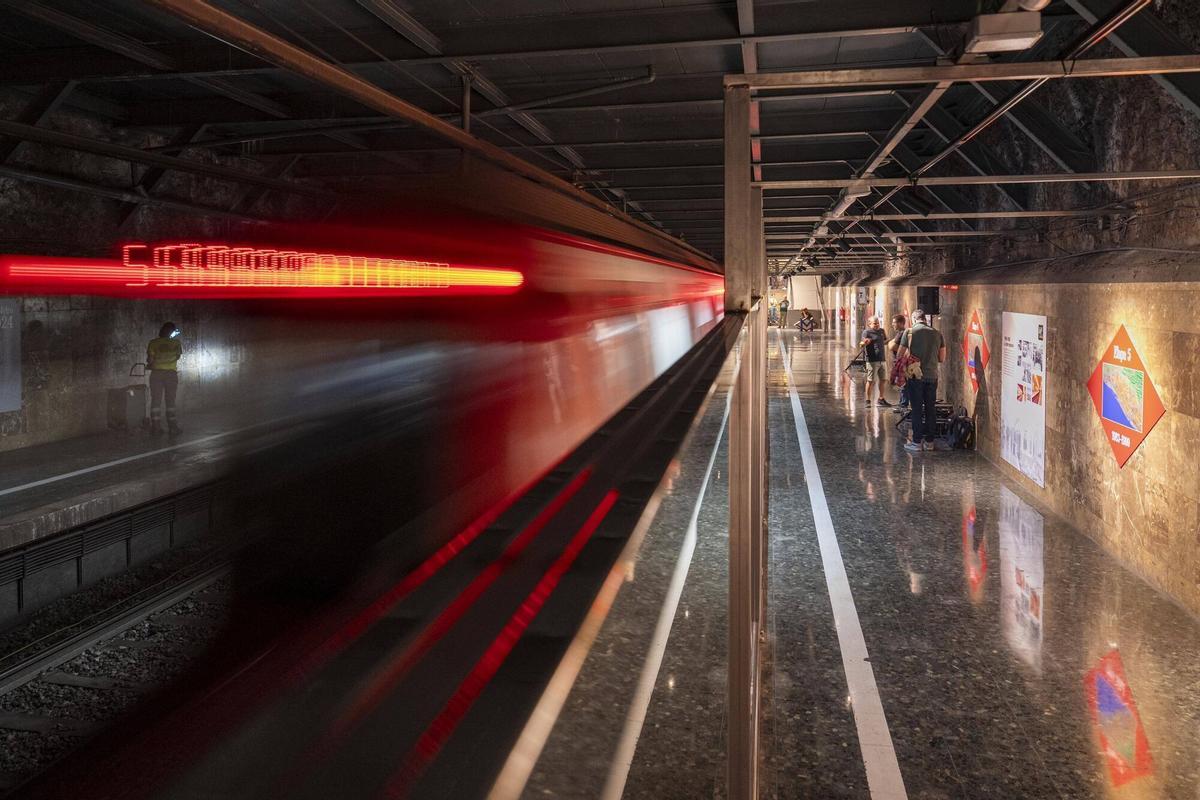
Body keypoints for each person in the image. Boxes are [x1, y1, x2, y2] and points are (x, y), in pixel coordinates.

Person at [897, 309, 945, 452]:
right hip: (932, 376)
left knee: (917, 409)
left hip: (915, 376)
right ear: (925, 319)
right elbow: (942, 358)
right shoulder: (937, 333)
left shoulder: (909, 332)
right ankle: (929, 442)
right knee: (931, 409)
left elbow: (899, 354)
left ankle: (917, 442)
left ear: (913, 319)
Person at [147, 321, 183, 436]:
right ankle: (172, 428)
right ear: (172, 333)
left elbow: (150, 360)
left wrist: (151, 364)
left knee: (156, 401)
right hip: (171, 375)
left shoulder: (153, 343)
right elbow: (177, 357)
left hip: (156, 374)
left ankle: (156, 428)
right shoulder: (176, 343)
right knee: (170, 401)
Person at [858, 316, 890, 406]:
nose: (877, 325)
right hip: (872, 360)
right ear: (869, 324)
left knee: (883, 380)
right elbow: (862, 343)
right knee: (871, 380)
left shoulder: (882, 331)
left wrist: (889, 341)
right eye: (875, 323)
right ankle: (868, 400)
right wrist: (865, 343)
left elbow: (886, 340)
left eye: (878, 323)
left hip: (882, 359)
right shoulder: (866, 332)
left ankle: (881, 399)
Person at [888, 313, 910, 413]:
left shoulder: (902, 333)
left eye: (894, 323)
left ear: (901, 323)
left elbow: (892, 346)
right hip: (900, 362)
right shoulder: (900, 333)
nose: (892, 325)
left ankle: (903, 405)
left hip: (902, 362)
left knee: (903, 384)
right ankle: (902, 403)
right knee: (902, 384)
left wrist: (890, 343)